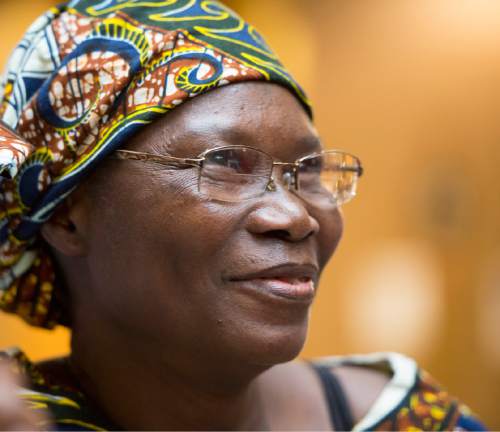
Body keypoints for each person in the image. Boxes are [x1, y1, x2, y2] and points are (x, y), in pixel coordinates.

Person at [0, 1, 487, 430]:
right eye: (226, 164)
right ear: (67, 214)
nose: (296, 216)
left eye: (310, 170)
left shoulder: (406, 418)